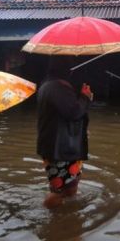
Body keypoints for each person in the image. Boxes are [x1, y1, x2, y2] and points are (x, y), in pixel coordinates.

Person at [36, 56, 93, 209]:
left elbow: (65, 114)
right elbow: (74, 112)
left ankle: (68, 218)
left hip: (62, 146)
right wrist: (85, 98)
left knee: (71, 185)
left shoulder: (49, 85)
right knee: (59, 190)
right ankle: (49, 219)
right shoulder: (57, 88)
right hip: (59, 149)